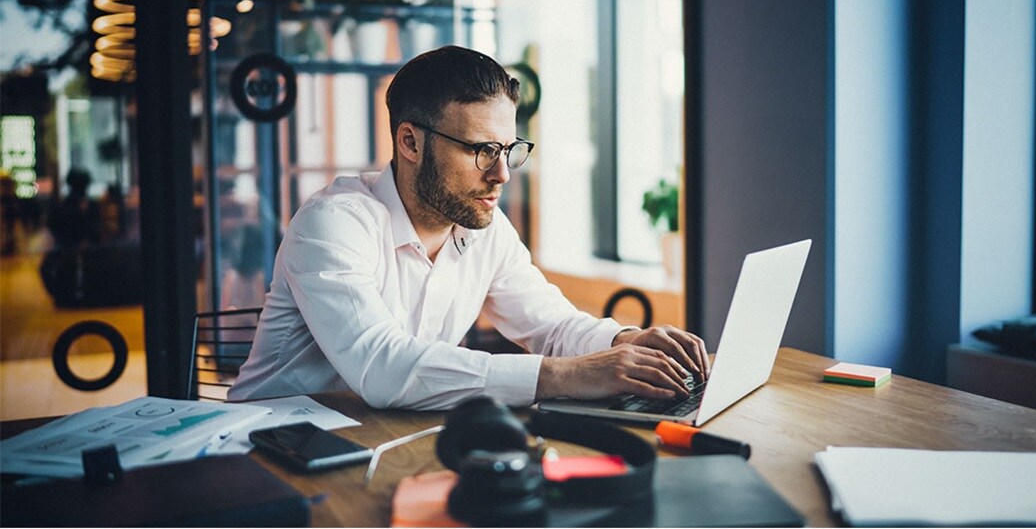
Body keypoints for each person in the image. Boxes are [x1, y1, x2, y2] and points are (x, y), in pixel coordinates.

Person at [229, 46, 709, 409]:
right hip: (265, 456)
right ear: (411, 142)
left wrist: (622, 343)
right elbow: (382, 368)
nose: (501, 174)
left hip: (379, 443)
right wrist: (570, 376)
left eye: (508, 150)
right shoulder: (333, 224)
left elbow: (551, 324)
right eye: (481, 150)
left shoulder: (484, 227)